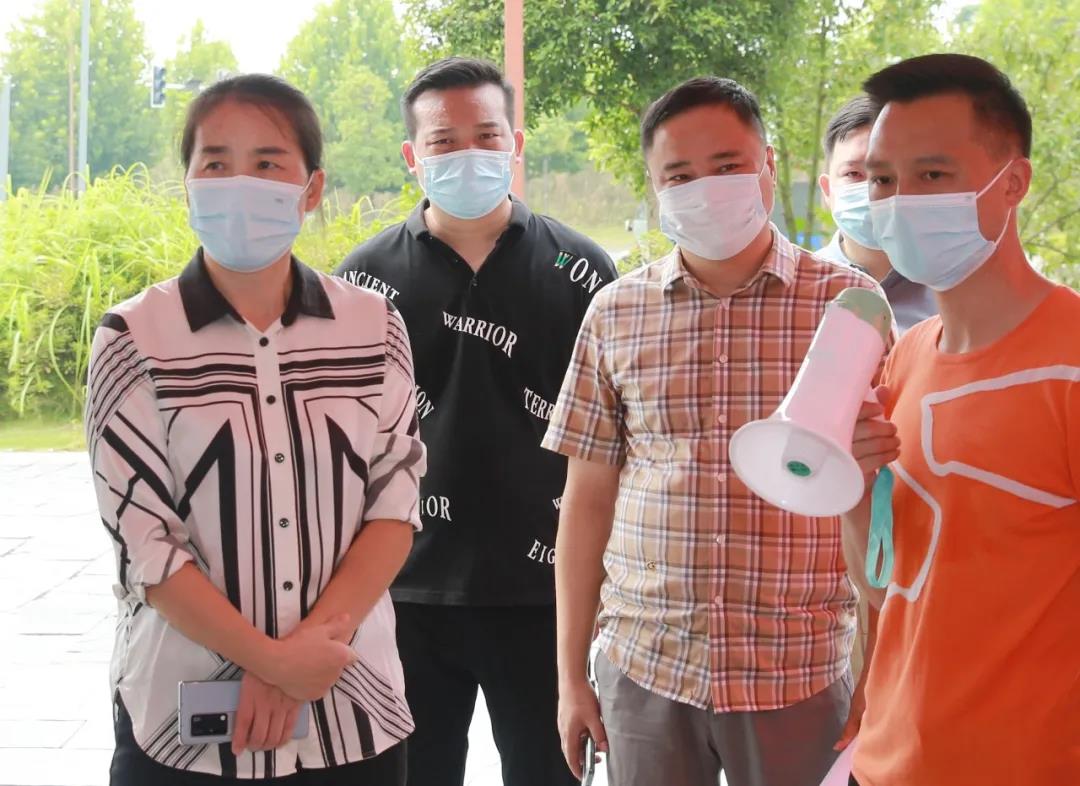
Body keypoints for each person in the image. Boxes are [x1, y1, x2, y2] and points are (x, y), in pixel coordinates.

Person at [85, 74, 425, 785]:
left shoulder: (374, 328)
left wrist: (305, 656)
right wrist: (271, 662)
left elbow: (394, 506)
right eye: (215, 163)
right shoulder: (133, 338)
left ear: (311, 188)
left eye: (268, 162)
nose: (240, 183)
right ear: (188, 186)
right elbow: (144, 541)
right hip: (181, 727)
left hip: (350, 713)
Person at [544, 76, 883, 786]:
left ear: (768, 163)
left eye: (728, 165)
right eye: (679, 175)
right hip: (647, 668)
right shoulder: (615, 312)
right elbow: (586, 501)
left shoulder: (850, 306)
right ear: (654, 187)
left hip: (798, 670)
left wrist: (879, 672)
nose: (705, 189)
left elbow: (883, 505)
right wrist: (571, 676)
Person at [335, 57, 616, 786]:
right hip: (403, 593)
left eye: (487, 136)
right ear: (412, 155)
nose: (468, 154)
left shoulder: (582, 272)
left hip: (546, 597)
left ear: (514, 143)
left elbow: (613, 446)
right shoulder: (361, 283)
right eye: (443, 141)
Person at [844, 54, 1080, 785]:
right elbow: (883, 586)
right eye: (882, 180)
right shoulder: (904, 357)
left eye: (932, 174)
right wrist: (854, 488)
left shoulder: (1070, 364)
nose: (900, 202)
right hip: (884, 762)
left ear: (1012, 183)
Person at [816, 95, 937, 333]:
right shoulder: (794, 290)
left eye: (885, 175)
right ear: (828, 191)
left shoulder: (955, 292)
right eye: (853, 174)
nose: (872, 189)